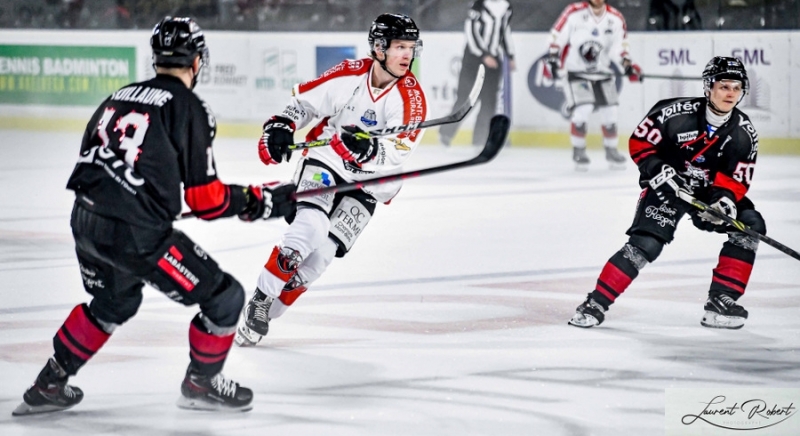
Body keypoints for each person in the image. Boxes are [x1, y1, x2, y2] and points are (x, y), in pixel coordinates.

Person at [12, 17, 296, 416]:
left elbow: (96, 163)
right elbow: (207, 201)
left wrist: (144, 198)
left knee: (114, 303)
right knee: (226, 298)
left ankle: (48, 383)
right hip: (137, 235)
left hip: (85, 221)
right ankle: (202, 384)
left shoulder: (120, 95)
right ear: (197, 61)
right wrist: (261, 201)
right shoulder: (190, 107)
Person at [235, 13, 428, 346]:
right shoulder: (350, 74)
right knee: (310, 229)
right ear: (379, 48)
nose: (407, 55)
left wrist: (368, 150)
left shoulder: (412, 99)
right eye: (399, 47)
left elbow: (398, 153)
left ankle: (273, 308)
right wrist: (281, 124)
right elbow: (304, 103)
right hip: (328, 162)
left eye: (411, 47)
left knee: (321, 256)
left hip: (371, 182)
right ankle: (261, 298)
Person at [568, 56, 765, 330]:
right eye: (724, 86)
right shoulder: (674, 113)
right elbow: (640, 142)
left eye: (736, 87)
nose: (731, 93)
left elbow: (736, 178)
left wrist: (725, 200)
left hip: (707, 192)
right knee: (646, 244)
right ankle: (595, 303)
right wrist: (657, 168)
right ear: (708, 87)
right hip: (666, 186)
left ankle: (721, 300)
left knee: (750, 226)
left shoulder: (744, 133)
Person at [545, 0, 642, 170]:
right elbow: (556, 35)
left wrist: (626, 64)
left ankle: (611, 150)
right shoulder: (573, 12)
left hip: (603, 73)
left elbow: (620, 47)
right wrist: (553, 56)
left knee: (610, 112)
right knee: (583, 108)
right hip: (577, 73)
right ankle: (579, 149)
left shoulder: (616, 18)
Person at [439, 0, 515, 147]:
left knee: (489, 103)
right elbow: (471, 31)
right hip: (473, 60)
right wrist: (483, 54)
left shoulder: (506, 7)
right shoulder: (478, 5)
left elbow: (505, 31)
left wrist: (510, 55)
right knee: (465, 99)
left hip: (493, 61)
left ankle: (480, 139)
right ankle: (446, 132)